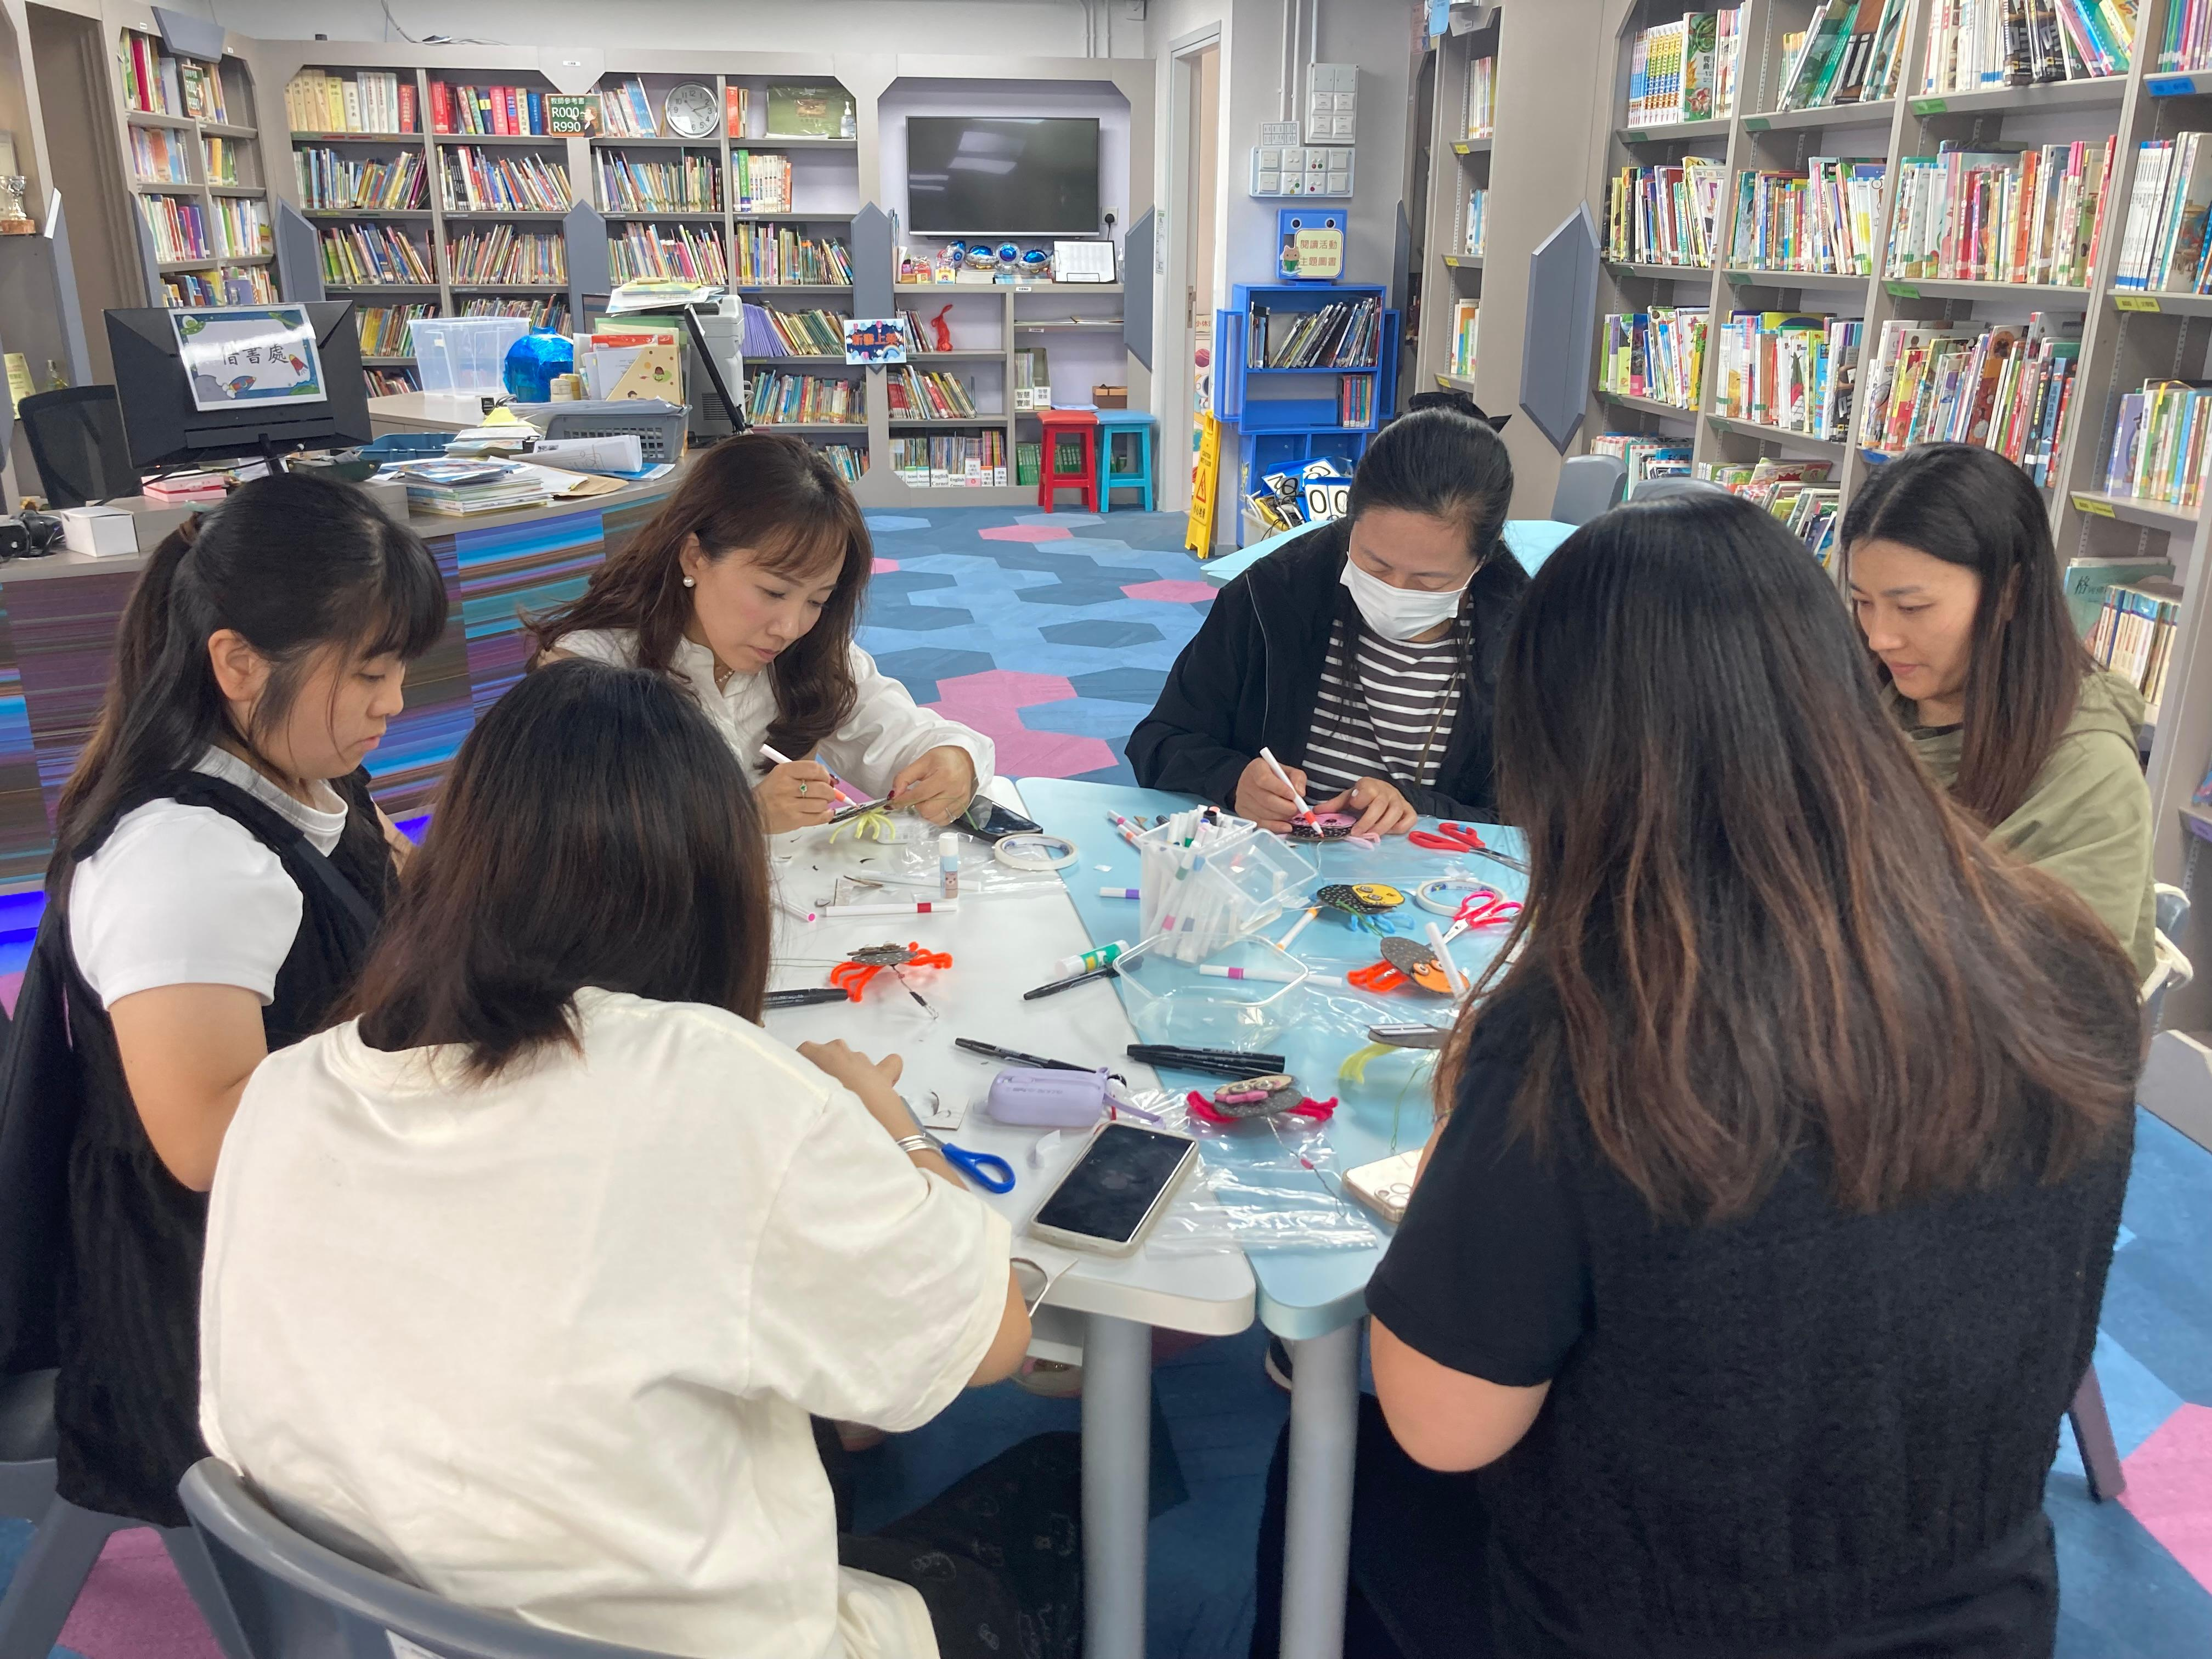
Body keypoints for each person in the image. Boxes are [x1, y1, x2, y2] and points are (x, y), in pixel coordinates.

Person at [1253, 495, 2142, 1659]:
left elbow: (1443, 1424)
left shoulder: (1594, 1024)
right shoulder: (2066, 956)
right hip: (1982, 1607)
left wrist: (1467, 1141)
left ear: (1565, 738)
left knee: (1331, 1466)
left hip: (1651, 1615)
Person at [199, 660, 1077, 1659]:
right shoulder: (712, 1082)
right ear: (712, 879)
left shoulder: (283, 1090)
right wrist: (894, 1128)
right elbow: (991, 1339)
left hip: (394, 1624)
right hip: (670, 1633)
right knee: (1057, 1490)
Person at [0, 472, 445, 1527]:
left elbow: (405, 889)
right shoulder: (186, 859)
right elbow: (207, 1144)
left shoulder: (306, 770)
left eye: (399, 670)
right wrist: (432, 1055)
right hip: (197, 1295)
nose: (393, 702)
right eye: (369, 672)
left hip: (312, 1212)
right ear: (239, 662)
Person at [529, 432, 992, 834]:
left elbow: (901, 736)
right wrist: (741, 819)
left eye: (817, 601)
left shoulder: (810, 653)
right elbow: (573, 841)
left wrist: (954, 759)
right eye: (773, 592)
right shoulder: (595, 671)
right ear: (695, 557)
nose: (790, 628)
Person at [1127, 407, 1528, 836]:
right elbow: (1159, 741)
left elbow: (1539, 819)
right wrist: (1233, 781)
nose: (1395, 591)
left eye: (1429, 581)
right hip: (1266, 861)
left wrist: (1420, 808)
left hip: (1432, 874)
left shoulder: (1526, 645)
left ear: (1482, 561)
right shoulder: (1273, 595)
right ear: (1350, 523)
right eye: (1375, 565)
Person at [1843, 443, 2157, 980]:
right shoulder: (1863, 697)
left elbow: (2053, 993)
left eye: (1912, 608)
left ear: (2010, 591)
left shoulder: (2090, 773)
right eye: (1862, 602)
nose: (1880, 637)